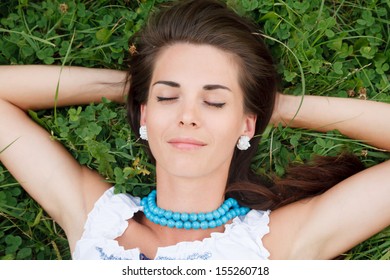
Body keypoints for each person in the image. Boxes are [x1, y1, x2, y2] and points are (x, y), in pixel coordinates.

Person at [0, 0, 389, 260]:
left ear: (246, 124)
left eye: (216, 101)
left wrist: (277, 107)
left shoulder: (275, 243)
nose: (188, 115)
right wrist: (129, 86)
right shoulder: (94, 219)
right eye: (168, 97)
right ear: (145, 116)